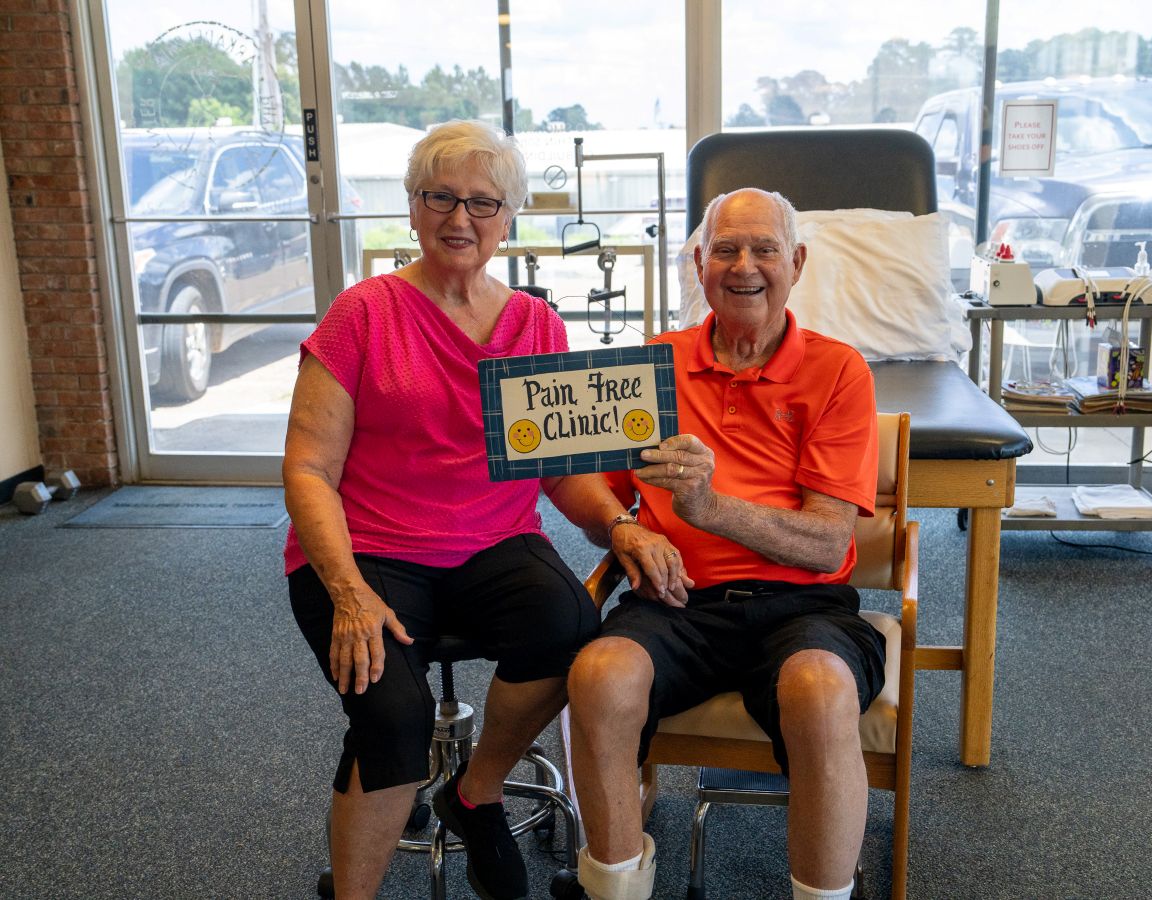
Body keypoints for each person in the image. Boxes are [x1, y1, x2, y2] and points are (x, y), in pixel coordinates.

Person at [282, 120, 682, 900]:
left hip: (492, 540)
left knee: (570, 628)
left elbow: (560, 475)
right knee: (392, 717)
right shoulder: (361, 316)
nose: (460, 218)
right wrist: (347, 590)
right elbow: (306, 468)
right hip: (367, 549)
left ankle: (475, 792)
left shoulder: (536, 327)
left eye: (483, 203)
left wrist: (620, 523)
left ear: (509, 216)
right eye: (441, 197)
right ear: (413, 205)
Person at [567, 188, 886, 900]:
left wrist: (710, 509)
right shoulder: (652, 364)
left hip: (802, 606)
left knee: (821, 687)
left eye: (764, 249)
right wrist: (624, 527)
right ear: (700, 263)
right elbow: (585, 483)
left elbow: (828, 544)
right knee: (597, 676)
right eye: (726, 250)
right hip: (676, 603)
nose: (745, 266)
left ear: (795, 262)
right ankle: (616, 888)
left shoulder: (838, 372)